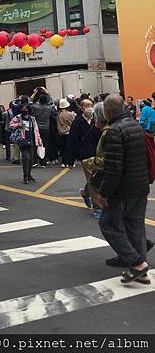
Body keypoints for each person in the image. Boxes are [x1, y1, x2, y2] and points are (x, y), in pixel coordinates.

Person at [96, 94, 151, 284]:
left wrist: (103, 193)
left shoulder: (114, 131)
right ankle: (141, 270)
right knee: (135, 226)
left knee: (108, 224)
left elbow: (113, 168)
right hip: (140, 185)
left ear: (108, 112)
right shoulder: (136, 126)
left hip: (123, 190)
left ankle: (137, 264)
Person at [81, 102, 109, 219]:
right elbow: (76, 140)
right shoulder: (85, 124)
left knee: (94, 180)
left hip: (98, 159)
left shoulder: (110, 129)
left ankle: (84, 193)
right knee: (93, 180)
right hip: (89, 157)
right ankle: (97, 207)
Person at [9, 104, 43, 184]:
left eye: (25, 108)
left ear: (29, 109)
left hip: (31, 139)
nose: (24, 110)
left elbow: (36, 130)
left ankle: (29, 174)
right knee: (26, 157)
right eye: (23, 108)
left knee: (30, 159)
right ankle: (25, 176)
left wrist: (39, 140)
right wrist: (18, 125)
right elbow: (10, 125)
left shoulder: (32, 119)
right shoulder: (17, 118)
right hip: (22, 140)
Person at [65, 99, 100, 170]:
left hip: (97, 155)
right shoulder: (77, 122)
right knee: (90, 178)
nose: (90, 108)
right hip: (84, 156)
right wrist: (70, 161)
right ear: (82, 108)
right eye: (87, 106)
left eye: (91, 105)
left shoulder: (97, 120)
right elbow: (72, 141)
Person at [31, 94, 52, 167]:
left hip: (37, 128)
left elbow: (30, 102)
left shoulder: (36, 107)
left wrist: (34, 93)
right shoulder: (49, 108)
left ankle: (34, 161)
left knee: (35, 144)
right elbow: (51, 101)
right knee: (45, 144)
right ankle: (43, 161)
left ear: (39, 100)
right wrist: (47, 93)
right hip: (46, 128)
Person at [57, 99, 75, 167]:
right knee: (69, 148)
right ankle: (69, 162)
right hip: (68, 132)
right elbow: (73, 123)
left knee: (63, 148)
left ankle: (63, 162)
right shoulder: (69, 114)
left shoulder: (59, 114)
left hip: (61, 132)